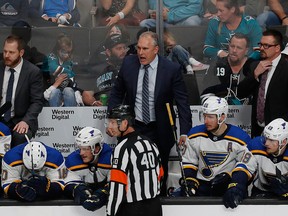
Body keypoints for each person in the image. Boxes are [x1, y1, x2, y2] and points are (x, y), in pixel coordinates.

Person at [107, 31, 192, 195]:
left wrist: (185, 132)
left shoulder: (171, 69)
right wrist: (112, 120)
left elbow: (183, 102)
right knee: (132, 167)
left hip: (160, 128)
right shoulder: (129, 63)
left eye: (145, 49)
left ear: (156, 49)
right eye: (138, 48)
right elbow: (117, 93)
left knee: (159, 169)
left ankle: (159, 201)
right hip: (134, 127)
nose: (140, 53)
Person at [181, 96, 256, 209]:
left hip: (227, 188)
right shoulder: (194, 134)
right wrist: (190, 181)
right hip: (202, 188)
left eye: (210, 117)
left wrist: (236, 185)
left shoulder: (240, 138)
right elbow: (189, 162)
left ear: (222, 117)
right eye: (204, 116)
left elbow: (247, 165)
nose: (206, 121)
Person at [106, 105, 163, 216]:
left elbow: (118, 187)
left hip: (133, 209)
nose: (109, 126)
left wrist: (110, 213)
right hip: (155, 207)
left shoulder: (122, 148)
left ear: (125, 123)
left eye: (113, 122)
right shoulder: (150, 143)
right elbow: (160, 174)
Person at [237, 29, 288, 137]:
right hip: (257, 130)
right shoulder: (255, 66)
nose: (261, 48)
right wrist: (255, 74)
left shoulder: (286, 68)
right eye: (260, 44)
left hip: (280, 133)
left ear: (277, 48)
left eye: (266, 46)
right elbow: (240, 93)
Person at [0, 35, 43, 147]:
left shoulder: (33, 72)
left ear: (21, 53)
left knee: (20, 136)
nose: (7, 56)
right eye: (5, 51)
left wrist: (26, 121)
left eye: (11, 52)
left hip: (20, 119)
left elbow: (37, 102)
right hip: (0, 118)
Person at [64, 126, 112, 211]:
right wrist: (78, 190)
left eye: (86, 149)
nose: (81, 153)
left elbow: (115, 185)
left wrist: (102, 194)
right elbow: (66, 184)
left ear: (97, 148)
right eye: (80, 148)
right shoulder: (72, 161)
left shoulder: (111, 159)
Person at [1, 141, 66, 201]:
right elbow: (7, 185)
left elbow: (61, 185)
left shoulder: (56, 158)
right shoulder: (10, 158)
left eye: (37, 170)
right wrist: (18, 190)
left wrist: (47, 188)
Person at [201, 33, 254, 105]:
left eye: (239, 48)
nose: (234, 50)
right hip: (220, 112)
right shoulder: (217, 65)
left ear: (246, 50)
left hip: (249, 113)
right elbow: (205, 93)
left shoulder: (253, 66)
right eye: (232, 46)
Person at [82, 33, 129, 106]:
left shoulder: (130, 68)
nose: (123, 51)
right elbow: (86, 94)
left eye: (124, 48)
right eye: (119, 48)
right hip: (104, 109)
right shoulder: (98, 69)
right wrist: (94, 103)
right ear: (108, 52)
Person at [248, 118, 288, 198]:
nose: (266, 143)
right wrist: (236, 185)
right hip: (260, 193)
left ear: (284, 141)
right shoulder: (256, 145)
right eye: (266, 138)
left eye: (271, 140)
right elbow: (244, 169)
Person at [42, 33, 79, 107]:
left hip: (66, 95)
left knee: (69, 91)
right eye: (65, 52)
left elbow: (72, 82)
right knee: (55, 92)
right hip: (49, 92)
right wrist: (69, 73)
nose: (68, 55)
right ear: (58, 50)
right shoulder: (51, 57)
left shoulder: (68, 63)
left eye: (70, 52)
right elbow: (53, 68)